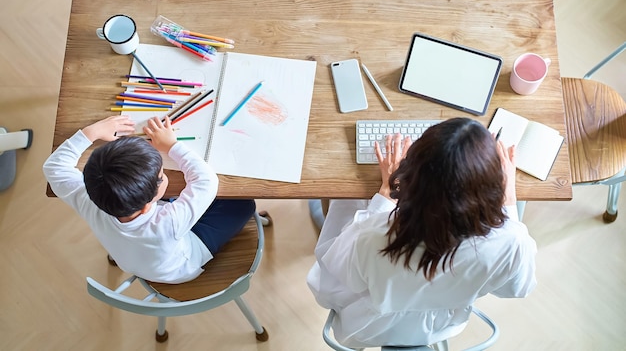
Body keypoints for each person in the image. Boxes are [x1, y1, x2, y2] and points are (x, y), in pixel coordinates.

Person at [307, 117, 537, 348]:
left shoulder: (376, 237)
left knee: (348, 207)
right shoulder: (511, 242)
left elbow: (330, 278)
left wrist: (387, 193)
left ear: (412, 180)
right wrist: (508, 199)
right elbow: (517, 288)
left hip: (372, 328)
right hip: (439, 327)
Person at [43, 115, 256, 284]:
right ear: (146, 207)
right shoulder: (168, 222)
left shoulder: (87, 200)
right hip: (181, 268)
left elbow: (53, 168)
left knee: (182, 201)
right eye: (161, 177)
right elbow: (207, 181)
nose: (162, 176)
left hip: (131, 260)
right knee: (243, 204)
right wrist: (173, 147)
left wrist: (91, 132)